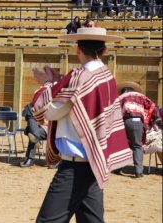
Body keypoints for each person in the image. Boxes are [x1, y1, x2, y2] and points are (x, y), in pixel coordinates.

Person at [31, 27, 132, 222]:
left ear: (78, 48)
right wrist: (58, 81)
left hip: (74, 165)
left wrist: (47, 85)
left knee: (48, 220)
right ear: (104, 50)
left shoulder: (79, 77)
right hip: (95, 160)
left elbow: (50, 110)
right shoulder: (107, 76)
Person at [117, 81, 157, 178]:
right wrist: (148, 121)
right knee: (137, 146)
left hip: (124, 121)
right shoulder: (141, 96)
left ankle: (117, 168)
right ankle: (138, 172)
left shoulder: (120, 98)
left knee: (120, 146)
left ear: (124, 91)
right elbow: (153, 107)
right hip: (138, 121)